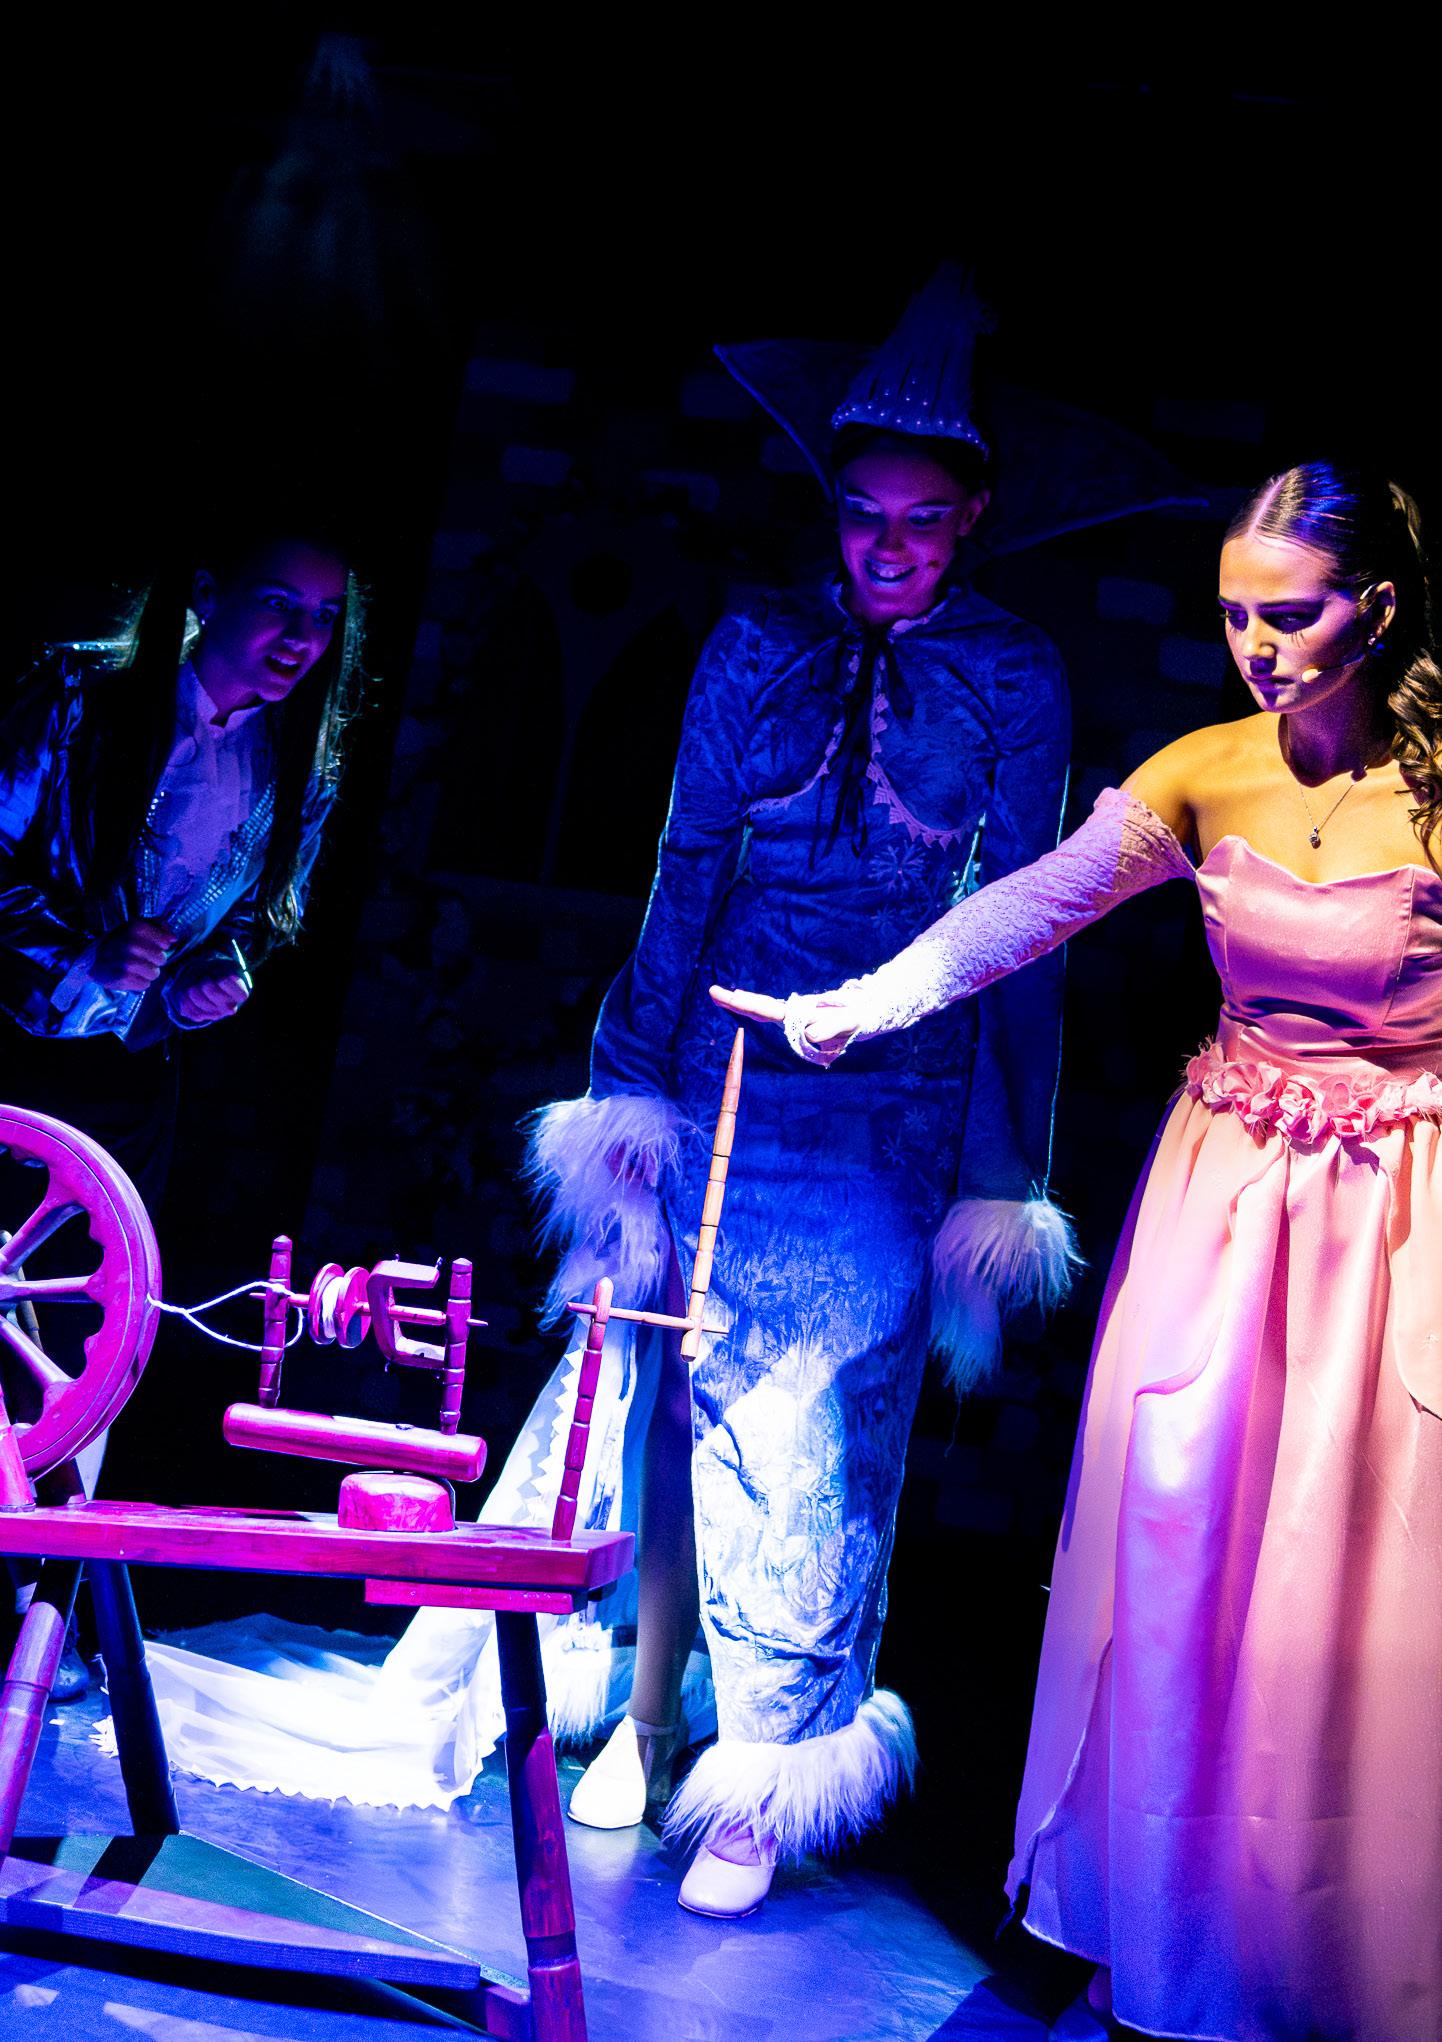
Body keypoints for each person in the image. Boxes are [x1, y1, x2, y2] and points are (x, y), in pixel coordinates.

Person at [714, 460, 1442, 2041]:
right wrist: (862, 1003)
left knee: (1359, 1577)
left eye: (1289, 615)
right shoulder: (1204, 770)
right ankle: (1173, 1924)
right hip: (1226, 1201)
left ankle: (1336, 1949)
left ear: (1377, 607)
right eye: (1234, 614)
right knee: (1183, 1531)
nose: (1254, 645)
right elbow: (1025, 907)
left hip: (1400, 1210)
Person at [0, 529, 363, 1692]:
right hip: (12, 1040)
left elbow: (266, 914)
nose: (302, 637)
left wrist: (225, 974)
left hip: (130, 1077)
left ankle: (31, 1612)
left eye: (325, 615)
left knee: (86, 1341)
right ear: (209, 595)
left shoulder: (297, 757)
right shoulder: (79, 696)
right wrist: (81, 954)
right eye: (279, 603)